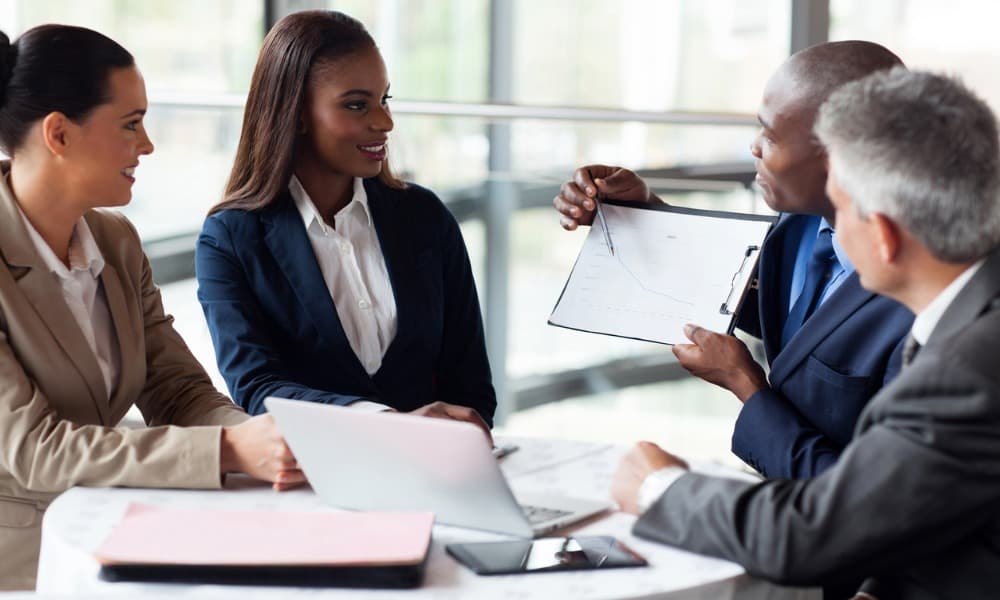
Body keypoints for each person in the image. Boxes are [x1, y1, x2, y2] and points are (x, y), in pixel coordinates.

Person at [612, 68, 1000, 599]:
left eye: (839, 210)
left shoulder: (970, 368)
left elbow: (811, 534)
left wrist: (661, 490)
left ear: (883, 235)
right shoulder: (973, 312)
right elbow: (927, 500)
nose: (828, 229)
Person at [0, 25, 305, 590]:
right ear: (60, 134)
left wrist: (260, 441)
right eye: (131, 124)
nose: (148, 145)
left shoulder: (116, 242)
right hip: (21, 567)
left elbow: (177, 390)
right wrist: (229, 449)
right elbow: (36, 452)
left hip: (114, 536)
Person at [554, 41, 914, 479]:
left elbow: (861, 503)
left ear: (837, 157)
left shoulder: (920, 304)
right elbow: (754, 296)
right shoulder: (798, 222)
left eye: (771, 135)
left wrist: (745, 384)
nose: (754, 147)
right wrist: (642, 212)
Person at [196, 11, 496, 433]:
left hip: (440, 470)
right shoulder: (230, 239)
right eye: (357, 105)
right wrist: (388, 425)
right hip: (310, 479)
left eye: (384, 100)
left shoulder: (426, 218)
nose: (384, 122)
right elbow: (257, 387)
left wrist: (452, 445)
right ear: (296, 113)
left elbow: (471, 386)